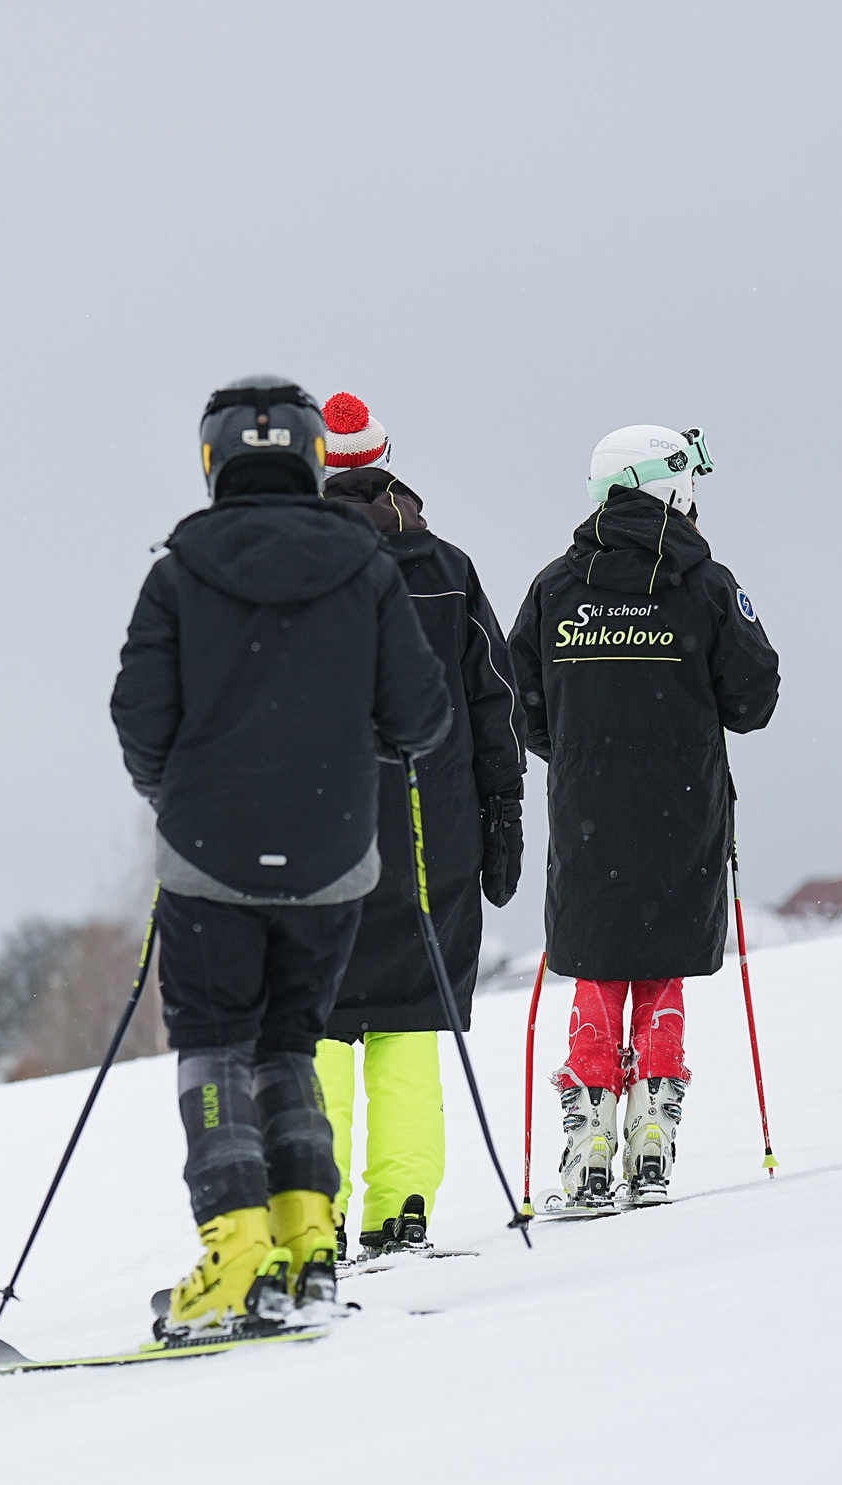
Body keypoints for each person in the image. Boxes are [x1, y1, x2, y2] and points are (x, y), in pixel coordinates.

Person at [111, 375, 452, 1337]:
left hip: (208, 852)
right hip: (333, 852)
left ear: (214, 462)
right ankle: (306, 1250)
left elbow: (139, 715)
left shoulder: (178, 571)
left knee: (217, 1046)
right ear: (309, 458)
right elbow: (422, 718)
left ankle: (232, 1255)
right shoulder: (367, 566)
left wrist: (173, 790)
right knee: (289, 1047)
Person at [507, 426, 779, 1208]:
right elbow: (756, 697)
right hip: (683, 812)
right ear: (669, 488)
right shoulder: (705, 583)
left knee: (598, 964)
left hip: (588, 813)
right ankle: (654, 1136)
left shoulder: (558, 587)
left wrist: (579, 749)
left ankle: (588, 1141)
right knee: (661, 962)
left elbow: (522, 701)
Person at [309, 392, 525, 1256]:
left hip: (319, 842)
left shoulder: (292, 576)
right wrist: (503, 813)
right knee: (408, 1022)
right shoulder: (447, 567)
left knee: (314, 1026)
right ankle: (401, 1207)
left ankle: (308, 1213)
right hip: (433, 836)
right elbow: (496, 704)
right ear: (388, 457)